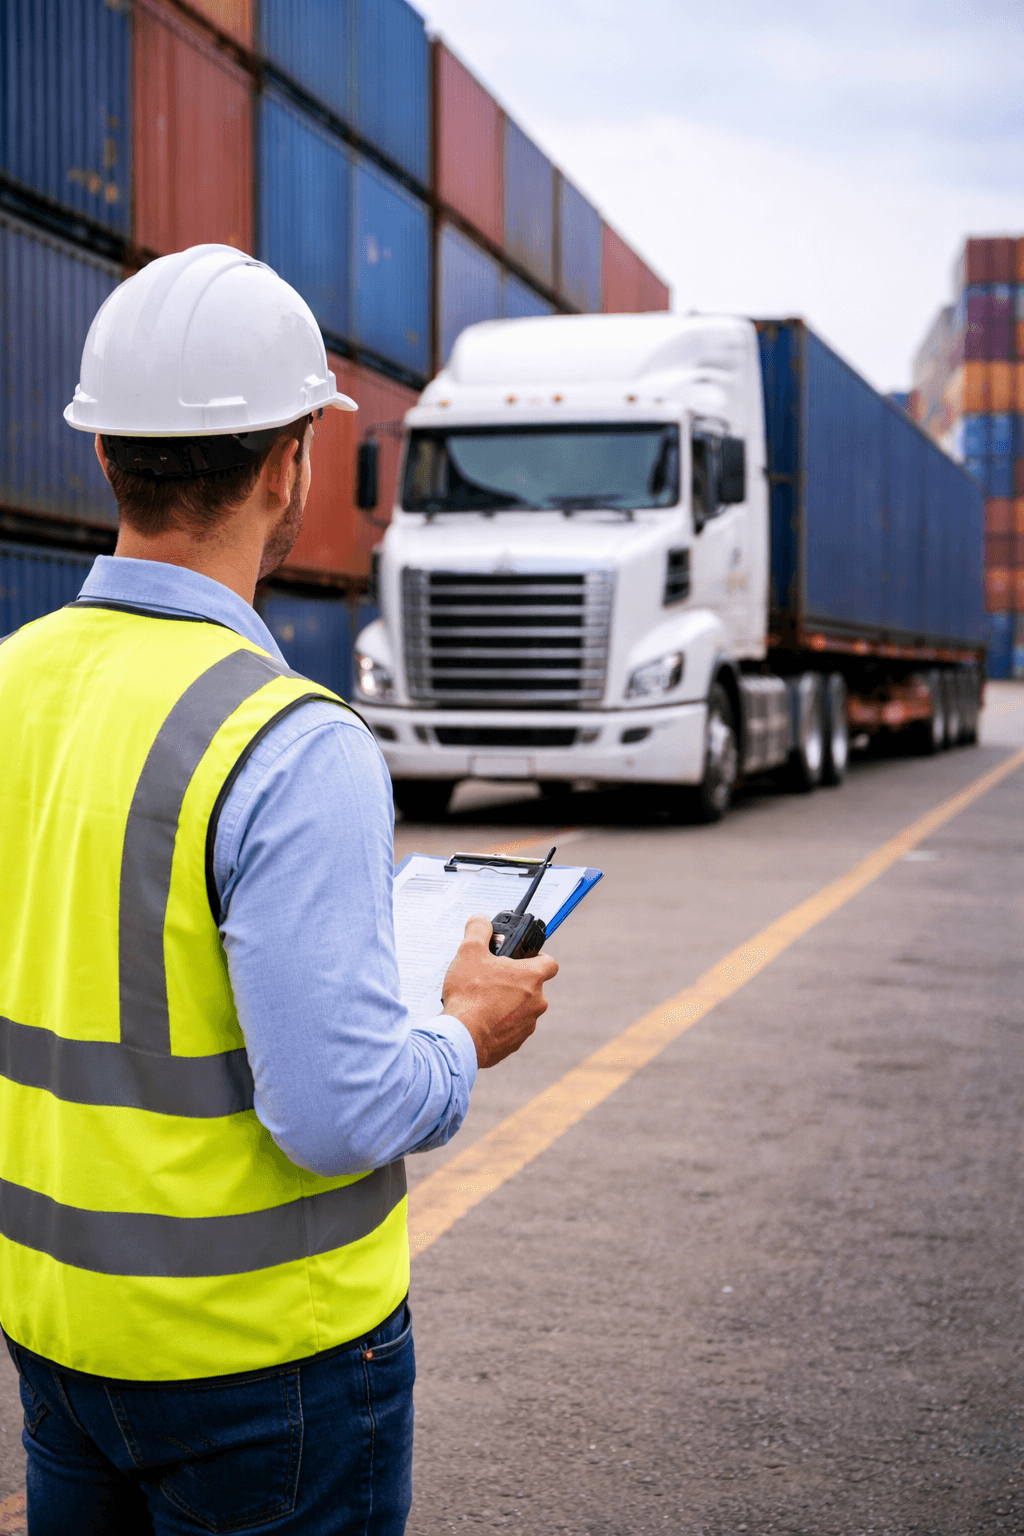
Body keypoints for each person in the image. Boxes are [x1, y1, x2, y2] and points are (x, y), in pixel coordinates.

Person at [0, 244, 557, 1535]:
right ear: (288, 465)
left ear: (103, 454)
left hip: (57, 1340)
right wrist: (466, 1027)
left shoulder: (14, 682)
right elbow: (335, 1110)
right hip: (264, 1373)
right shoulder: (290, 744)